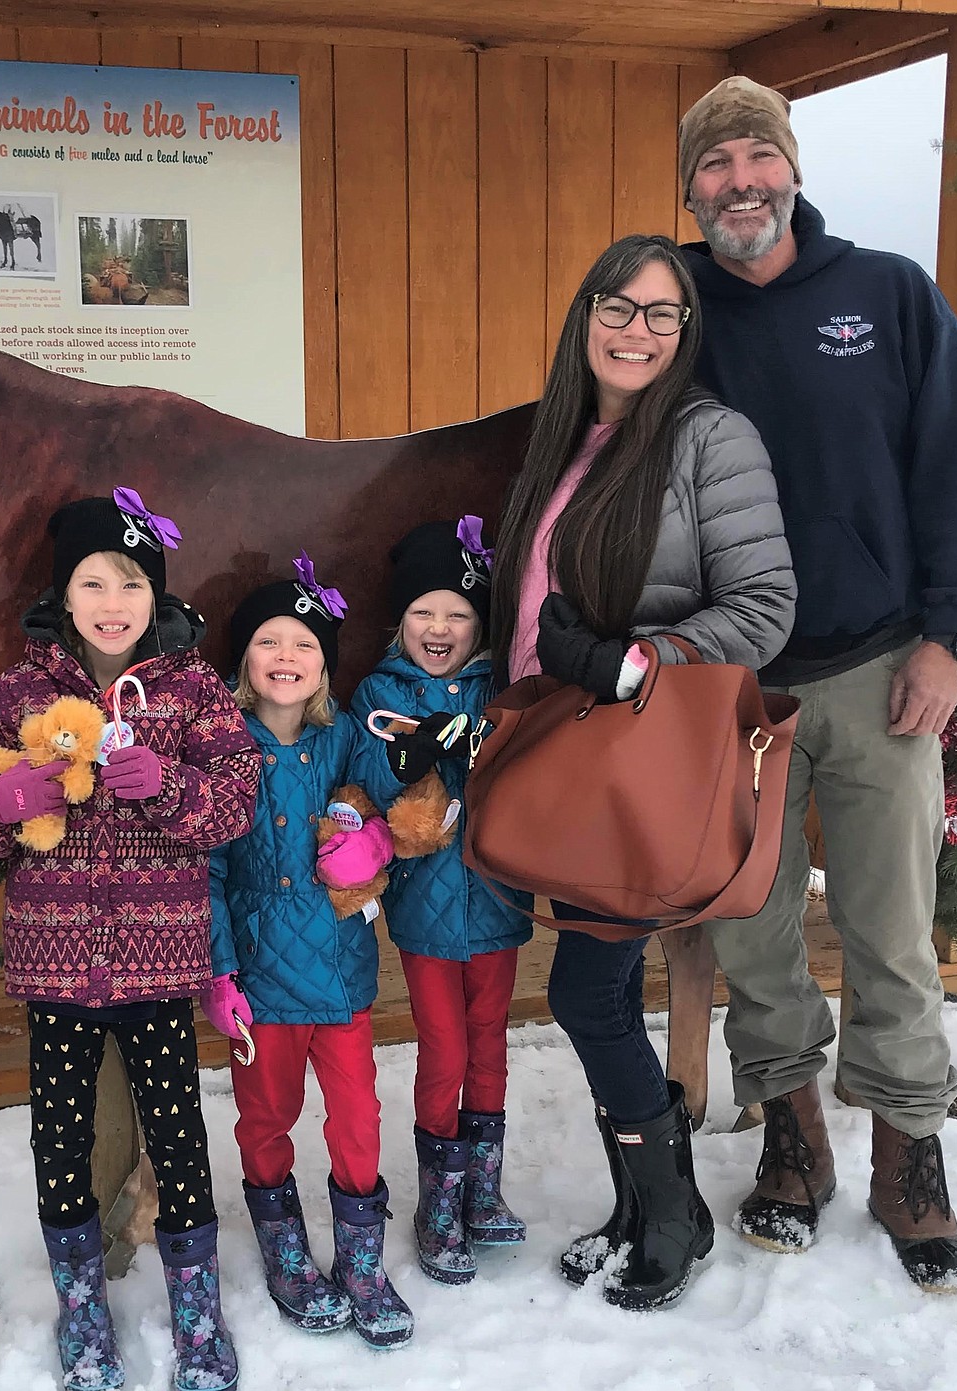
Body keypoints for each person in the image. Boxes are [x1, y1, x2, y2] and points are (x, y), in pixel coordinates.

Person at [677, 75, 957, 1291]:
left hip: (879, 669)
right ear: (691, 187)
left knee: (888, 930)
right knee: (753, 932)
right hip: (729, 690)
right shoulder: (671, 307)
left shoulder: (889, 296)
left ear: (793, 168)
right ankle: (793, 1139)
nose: (741, 181)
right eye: (716, 164)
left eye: (758, 154)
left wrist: (947, 637)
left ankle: (909, 1158)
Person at [488, 233, 796, 1311]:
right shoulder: (563, 440)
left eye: (663, 313)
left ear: (687, 332)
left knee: (587, 990)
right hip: (570, 755)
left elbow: (762, 607)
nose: (637, 329)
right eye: (618, 306)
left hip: (639, 759)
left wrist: (631, 661)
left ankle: (673, 1211)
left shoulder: (712, 440)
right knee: (596, 988)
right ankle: (639, 1203)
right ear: (586, 318)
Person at [0, 489, 260, 1391]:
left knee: (179, 1132)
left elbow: (234, 801)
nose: (113, 601)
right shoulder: (19, 690)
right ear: (66, 594)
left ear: (154, 597)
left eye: (131, 583)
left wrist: (166, 784)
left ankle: (196, 1306)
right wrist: (7, 801)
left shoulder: (191, 686)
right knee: (61, 1134)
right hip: (57, 965)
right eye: (94, 582)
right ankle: (82, 1304)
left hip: (161, 962)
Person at [207, 556, 415, 1350]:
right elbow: (213, 869)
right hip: (258, 976)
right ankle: (286, 1247)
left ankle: (362, 1258)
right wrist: (220, 970)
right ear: (245, 661)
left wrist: (373, 849)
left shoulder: (343, 740)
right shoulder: (226, 752)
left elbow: (379, 810)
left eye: (304, 641)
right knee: (267, 1115)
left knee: (357, 1114)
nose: (286, 654)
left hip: (340, 972)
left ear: (325, 662)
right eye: (269, 640)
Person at [350, 519, 533, 1287]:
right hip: (426, 907)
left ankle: (482, 1187)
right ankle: (439, 1197)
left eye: (457, 613)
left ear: (480, 624)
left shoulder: (502, 687)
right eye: (425, 612)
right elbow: (364, 779)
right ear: (401, 621)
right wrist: (407, 758)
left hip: (496, 895)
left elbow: (532, 765)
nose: (440, 628)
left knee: (491, 1039)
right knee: (445, 1046)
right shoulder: (380, 692)